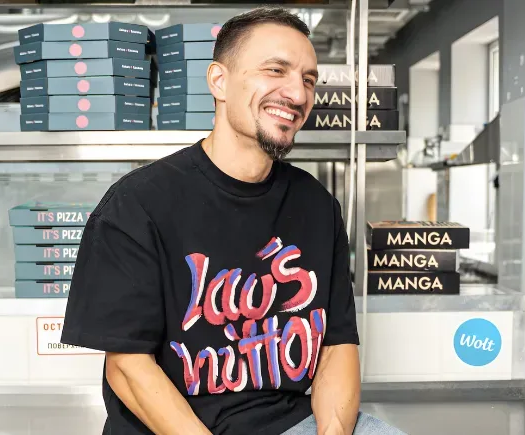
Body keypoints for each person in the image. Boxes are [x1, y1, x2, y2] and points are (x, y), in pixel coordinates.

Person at [61, 8, 403, 435]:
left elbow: (337, 346)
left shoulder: (317, 206)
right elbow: (127, 367)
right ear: (219, 81)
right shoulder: (137, 205)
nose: (297, 94)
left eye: (309, 80)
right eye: (275, 70)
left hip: (289, 423)